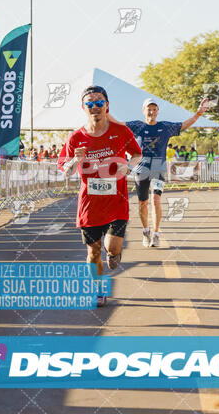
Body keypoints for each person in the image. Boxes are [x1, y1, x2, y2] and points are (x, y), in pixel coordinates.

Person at [58, 85, 142, 307]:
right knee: (93, 251)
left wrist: (129, 168)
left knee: (111, 248)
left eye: (98, 102)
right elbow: (65, 170)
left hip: (117, 201)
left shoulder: (121, 131)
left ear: (106, 106)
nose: (94, 106)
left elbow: (136, 154)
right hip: (90, 204)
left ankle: (114, 253)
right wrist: (75, 160)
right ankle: (96, 289)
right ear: (83, 108)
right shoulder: (76, 137)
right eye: (89, 103)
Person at [108, 96, 209, 247]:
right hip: (141, 169)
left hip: (158, 168)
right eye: (149, 109)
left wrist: (199, 113)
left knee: (156, 200)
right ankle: (145, 231)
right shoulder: (137, 125)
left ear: (158, 112)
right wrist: (105, 110)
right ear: (144, 111)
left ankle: (155, 233)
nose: (152, 112)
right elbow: (117, 123)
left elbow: (184, 124)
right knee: (143, 202)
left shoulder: (165, 127)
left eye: (154, 109)